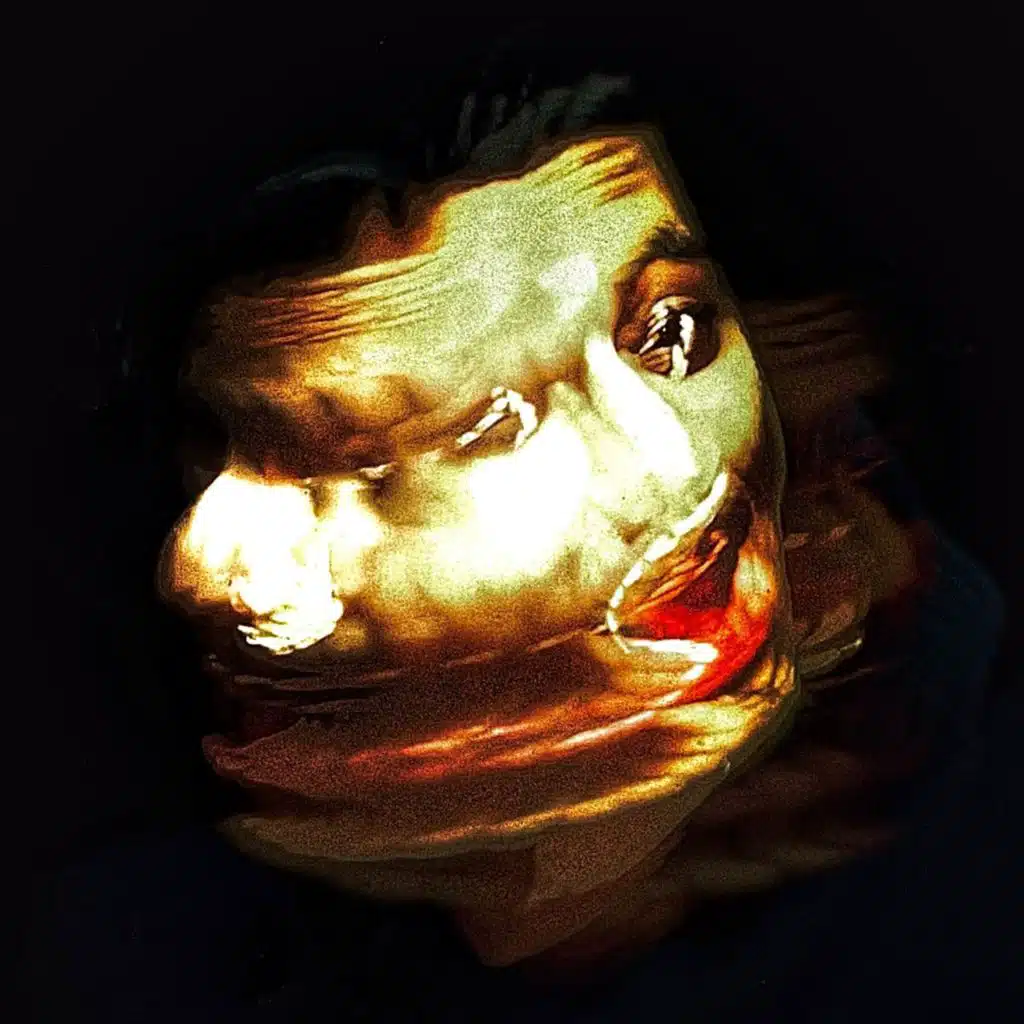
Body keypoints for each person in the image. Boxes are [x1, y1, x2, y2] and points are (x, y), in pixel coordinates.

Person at [22, 25, 1009, 1023]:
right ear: (251, 548)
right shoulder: (133, 959)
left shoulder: (949, 770)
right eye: (493, 425)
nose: (676, 463)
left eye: (669, 333)